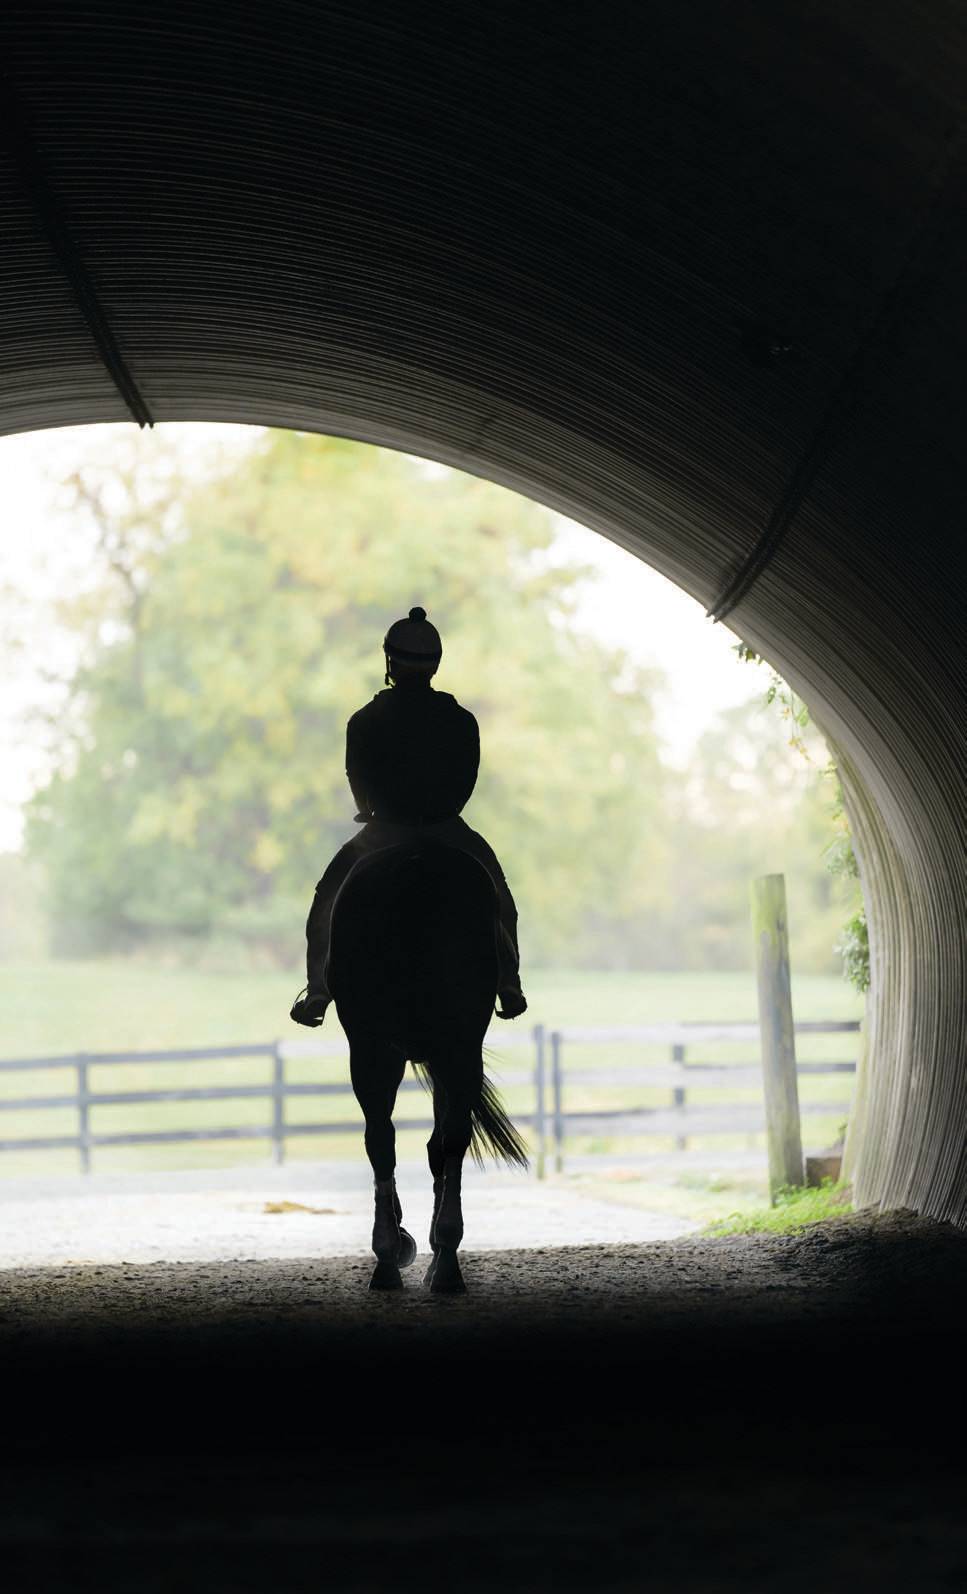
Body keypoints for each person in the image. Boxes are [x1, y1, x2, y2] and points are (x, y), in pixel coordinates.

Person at [290, 606, 527, 1027]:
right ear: (435, 665)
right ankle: (508, 982)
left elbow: (358, 780)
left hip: (383, 831)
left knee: (327, 899)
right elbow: (465, 779)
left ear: (390, 662)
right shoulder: (461, 721)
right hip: (446, 828)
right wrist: (441, 814)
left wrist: (370, 809)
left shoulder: (363, 721)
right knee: (496, 893)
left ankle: (318, 992)